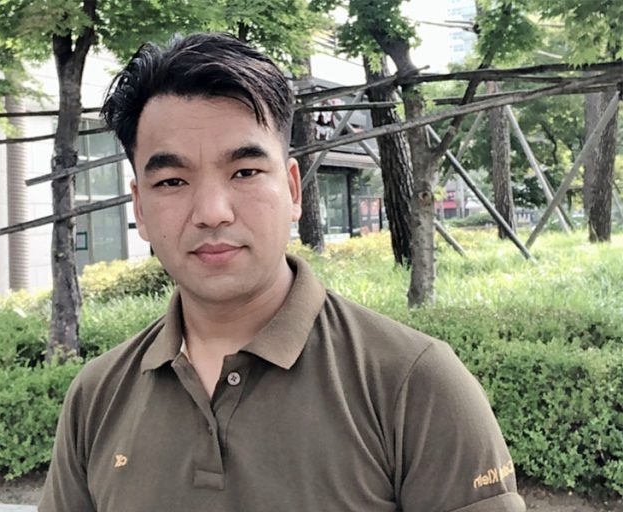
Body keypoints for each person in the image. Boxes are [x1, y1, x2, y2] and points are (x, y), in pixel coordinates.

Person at [39, 32, 525, 512]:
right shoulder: (96, 397)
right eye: (171, 181)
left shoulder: (413, 384)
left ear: (293, 189)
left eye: (245, 172)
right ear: (140, 208)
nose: (212, 212)